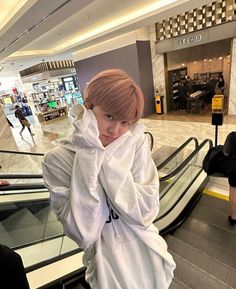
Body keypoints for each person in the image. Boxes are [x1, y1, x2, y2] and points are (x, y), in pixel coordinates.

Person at [42, 69, 176, 289]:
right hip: (107, 269)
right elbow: (83, 232)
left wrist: (109, 161)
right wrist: (89, 153)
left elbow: (146, 212)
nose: (115, 131)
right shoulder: (57, 160)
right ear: (88, 107)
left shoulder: (135, 143)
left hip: (147, 255)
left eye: (125, 122)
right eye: (109, 116)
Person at [203, 132, 236, 225]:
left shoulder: (233, 136)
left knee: (234, 193)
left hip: (234, 172)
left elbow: (226, 151)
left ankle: (234, 217)